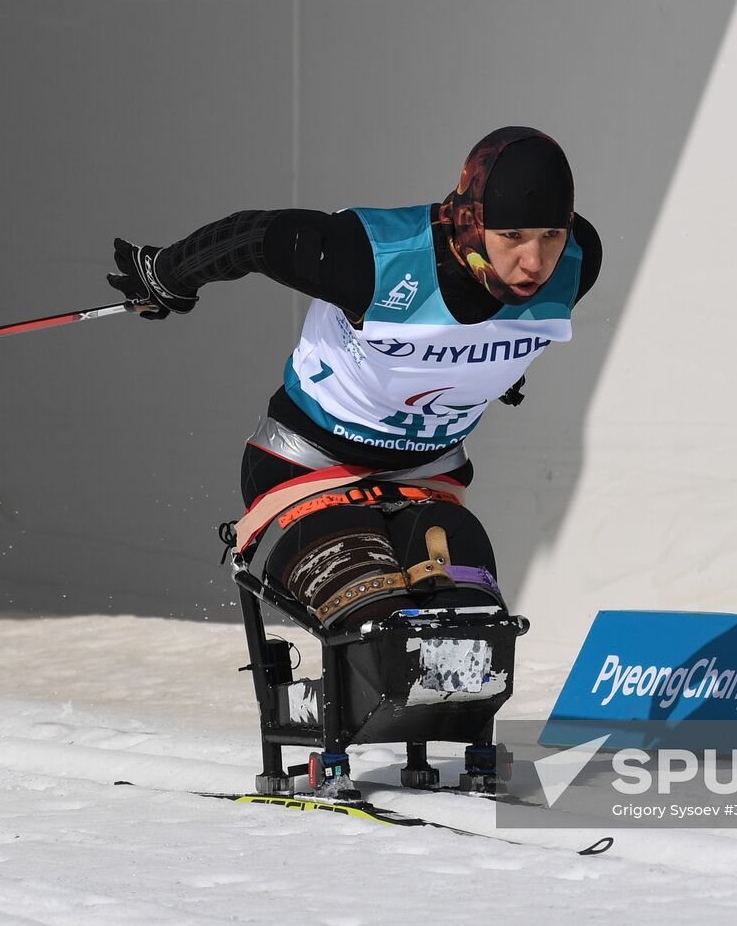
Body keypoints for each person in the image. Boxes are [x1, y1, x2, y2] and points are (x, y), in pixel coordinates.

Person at [107, 126, 602, 623]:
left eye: (551, 235)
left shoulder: (579, 261)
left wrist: (494, 372)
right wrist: (167, 275)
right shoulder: (372, 258)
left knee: (469, 621)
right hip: (310, 462)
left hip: (430, 471)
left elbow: (491, 332)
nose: (535, 261)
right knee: (375, 621)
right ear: (472, 220)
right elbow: (255, 237)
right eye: (512, 236)